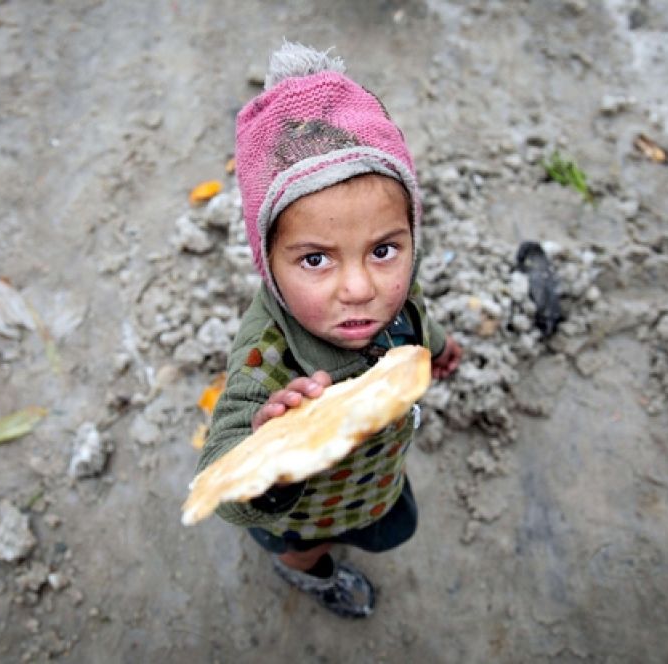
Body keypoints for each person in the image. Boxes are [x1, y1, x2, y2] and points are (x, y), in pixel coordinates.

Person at [196, 41, 463, 619]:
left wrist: (437, 346)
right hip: (305, 510)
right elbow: (221, 474)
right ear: (269, 263)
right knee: (306, 546)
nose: (361, 289)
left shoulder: (398, 290)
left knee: (383, 524)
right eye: (316, 260)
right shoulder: (267, 357)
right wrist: (270, 456)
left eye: (385, 249)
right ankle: (308, 571)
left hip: (374, 479)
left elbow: (415, 314)